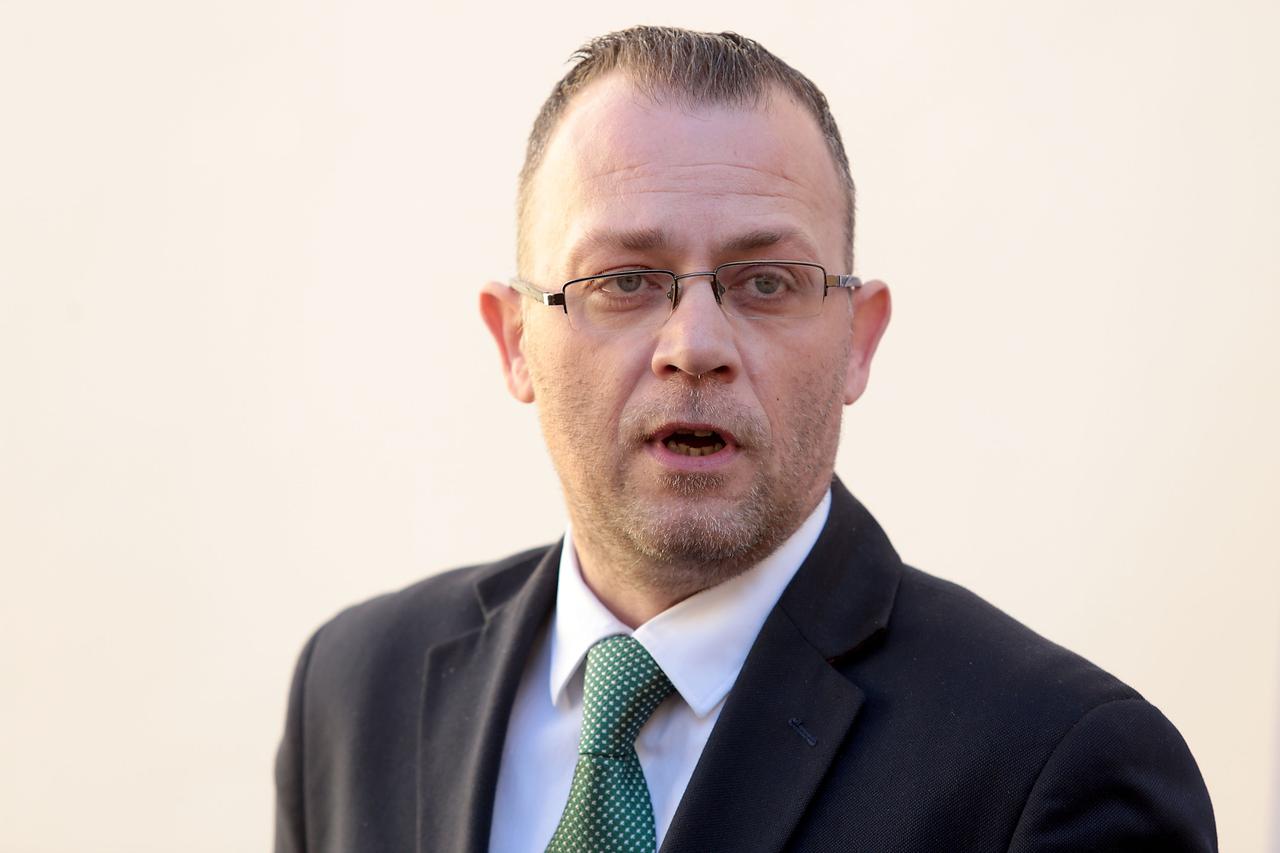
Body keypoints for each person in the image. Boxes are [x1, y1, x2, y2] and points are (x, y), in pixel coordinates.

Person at [274, 26, 1216, 853]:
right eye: (624, 281)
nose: (695, 346)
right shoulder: (354, 691)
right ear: (516, 339)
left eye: (767, 282)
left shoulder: (1054, 766)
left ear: (858, 341)